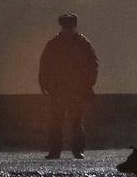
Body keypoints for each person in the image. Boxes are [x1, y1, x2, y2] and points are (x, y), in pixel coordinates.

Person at [38, 13, 98, 159]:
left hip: (67, 88)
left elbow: (45, 65)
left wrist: (44, 84)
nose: (68, 29)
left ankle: (63, 151)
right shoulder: (82, 43)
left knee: (69, 120)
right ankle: (68, 151)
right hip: (66, 88)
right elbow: (93, 65)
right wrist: (89, 84)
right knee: (63, 120)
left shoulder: (55, 43)